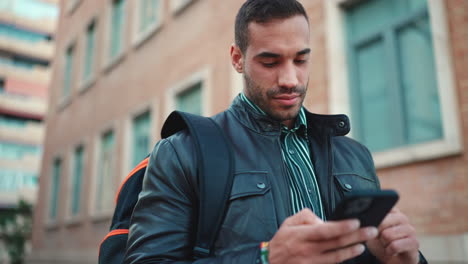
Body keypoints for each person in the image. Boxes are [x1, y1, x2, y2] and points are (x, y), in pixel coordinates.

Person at [124, 0, 424, 263]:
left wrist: (403, 260)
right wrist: (266, 259)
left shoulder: (355, 156)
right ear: (237, 58)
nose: (290, 79)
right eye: (270, 61)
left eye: (301, 59)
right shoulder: (183, 152)